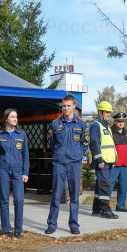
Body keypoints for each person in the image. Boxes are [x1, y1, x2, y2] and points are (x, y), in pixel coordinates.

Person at [45, 95, 88, 235]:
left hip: (74, 164)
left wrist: (78, 155)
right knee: (56, 195)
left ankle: (74, 224)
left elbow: (85, 143)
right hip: (59, 164)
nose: (66, 108)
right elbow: (52, 144)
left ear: (74, 106)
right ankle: (52, 224)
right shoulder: (55, 124)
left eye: (69, 106)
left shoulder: (82, 125)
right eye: (64, 106)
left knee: (74, 197)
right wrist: (59, 153)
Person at [0, 109, 29, 238]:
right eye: (12, 117)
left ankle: (18, 229)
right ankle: (6, 229)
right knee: (4, 200)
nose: (15, 119)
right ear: (6, 119)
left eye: (16, 117)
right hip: (3, 171)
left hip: (18, 171)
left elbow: (26, 156)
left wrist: (26, 172)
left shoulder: (22, 135)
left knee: (19, 200)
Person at [89, 101, 119, 219]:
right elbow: (94, 143)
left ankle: (96, 209)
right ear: (100, 113)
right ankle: (105, 211)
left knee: (100, 185)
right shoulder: (96, 126)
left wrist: (112, 161)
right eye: (106, 112)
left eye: (109, 112)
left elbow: (109, 145)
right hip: (102, 161)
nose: (108, 115)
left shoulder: (106, 126)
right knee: (105, 185)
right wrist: (100, 160)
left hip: (108, 161)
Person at [109, 111, 127, 212]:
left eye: (123, 121)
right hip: (114, 165)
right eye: (119, 121)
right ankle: (105, 207)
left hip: (123, 165)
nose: (121, 123)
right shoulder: (110, 132)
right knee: (109, 186)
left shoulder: (126, 132)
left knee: (123, 187)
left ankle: (121, 206)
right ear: (114, 122)